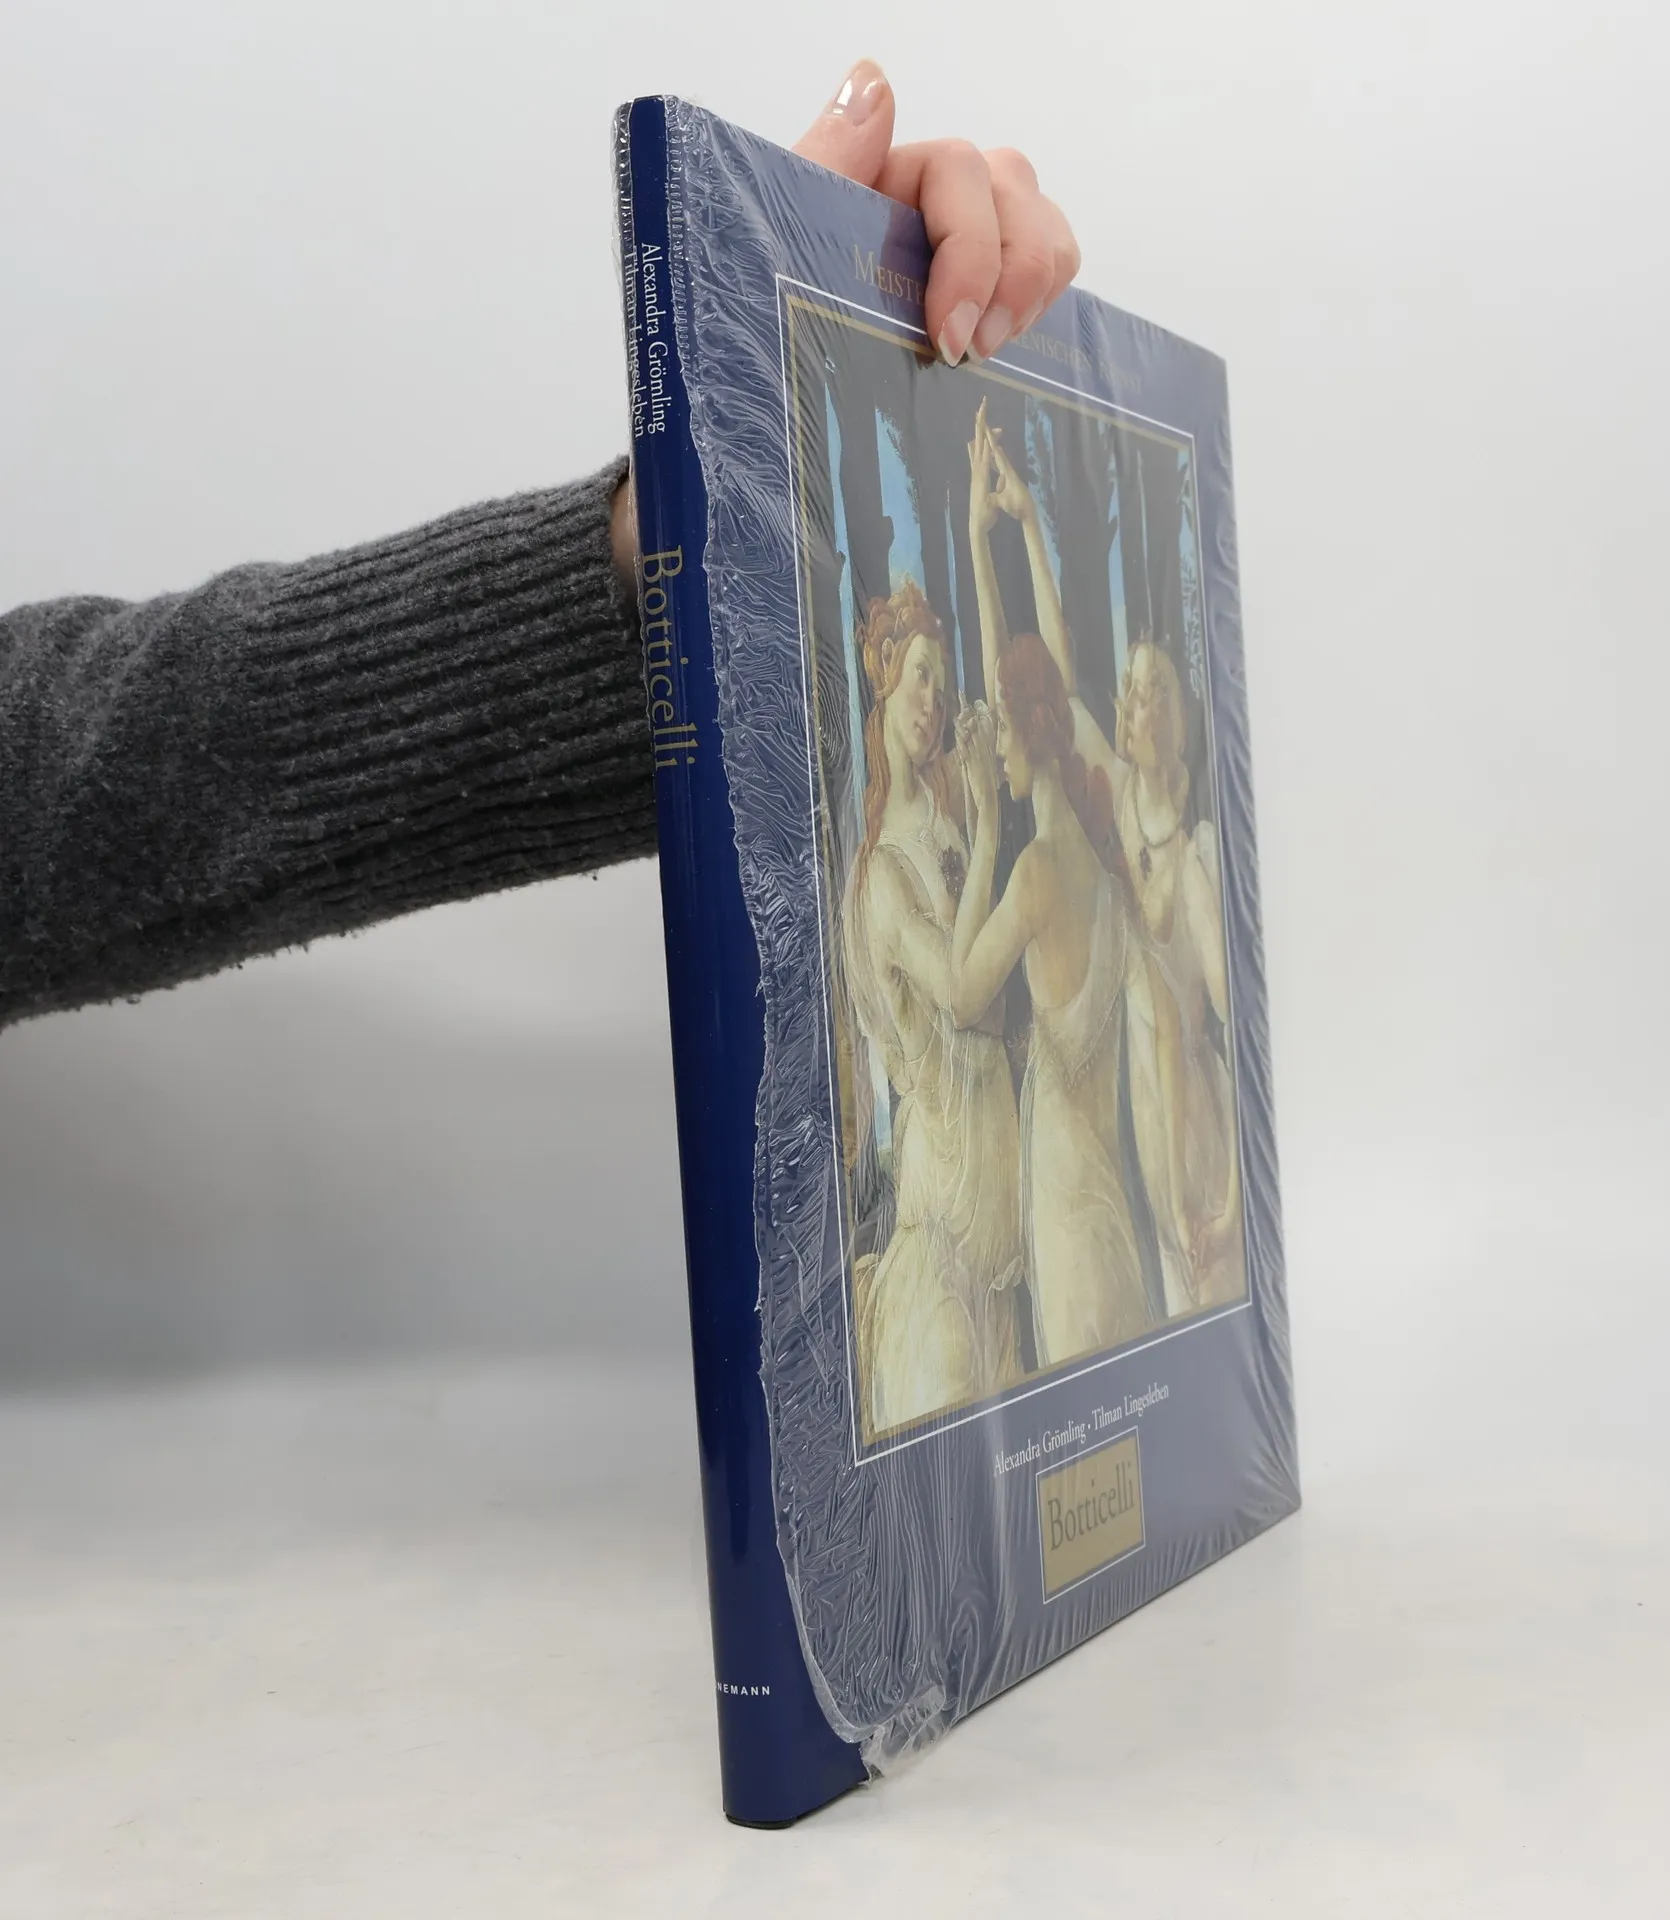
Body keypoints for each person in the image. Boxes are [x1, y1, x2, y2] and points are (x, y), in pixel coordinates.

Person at [0, 61, 1081, 1035]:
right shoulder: (938, 843)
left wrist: (667, 560)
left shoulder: (968, 794)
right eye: (920, 676)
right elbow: (88, 788)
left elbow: (73, 762)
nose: (939, 699)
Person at [971, 417, 1243, 1313]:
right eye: (1127, 691)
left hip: (1188, 1094)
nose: (1128, 704)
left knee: (1210, 1274)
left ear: (1176, 717)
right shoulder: (1114, 801)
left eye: (1150, 690)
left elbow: (1231, 1027)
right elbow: (1041, 666)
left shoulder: (1186, 849)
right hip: (1138, 1097)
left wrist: (1234, 1200)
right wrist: (1015, 529)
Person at [839, 582, 1024, 1436]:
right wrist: (990, 833)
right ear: (883, 677)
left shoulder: (945, 837)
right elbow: (960, 993)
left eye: (941, 687)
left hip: (993, 1216)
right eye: (919, 674)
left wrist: (975, 832)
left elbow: (995, 1001)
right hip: (943, 1210)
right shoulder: (883, 874)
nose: (932, 701)